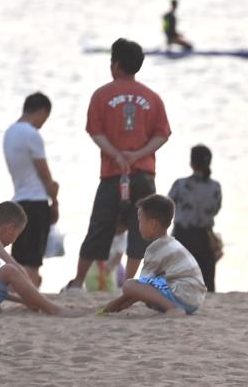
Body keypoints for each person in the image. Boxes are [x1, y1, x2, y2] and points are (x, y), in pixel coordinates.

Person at [65, 38, 172, 290]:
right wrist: (138, 154)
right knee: (141, 227)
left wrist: (116, 155)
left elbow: (95, 131)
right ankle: (129, 281)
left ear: (115, 64)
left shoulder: (102, 95)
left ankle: (78, 282)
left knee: (99, 226)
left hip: (113, 173)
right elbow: (162, 134)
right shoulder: (152, 98)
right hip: (143, 173)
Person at [102, 195, 207, 316]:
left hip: (182, 295)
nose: (138, 225)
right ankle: (174, 306)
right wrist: (124, 304)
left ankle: (172, 308)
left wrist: (115, 303)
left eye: (140, 220)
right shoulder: (171, 243)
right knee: (152, 284)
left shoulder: (155, 249)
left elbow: (141, 285)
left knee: (128, 285)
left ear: (153, 224)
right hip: (194, 299)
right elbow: (146, 288)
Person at [3, 92, 60, 286]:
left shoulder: (9, 133)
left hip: (18, 200)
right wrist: (54, 196)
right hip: (36, 201)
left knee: (19, 256)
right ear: (42, 111)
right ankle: (31, 293)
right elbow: (43, 171)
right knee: (33, 260)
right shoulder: (32, 134)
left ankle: (18, 290)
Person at [168, 144, 223, 292]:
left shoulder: (180, 184)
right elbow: (216, 210)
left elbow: (167, 207)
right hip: (205, 237)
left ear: (192, 163)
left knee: (178, 280)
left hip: (182, 236)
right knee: (207, 283)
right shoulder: (215, 187)